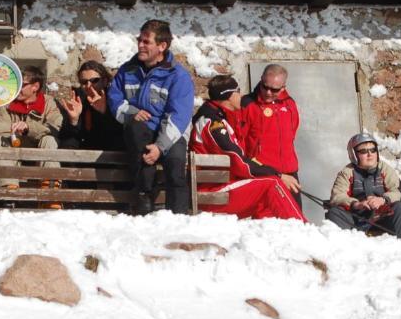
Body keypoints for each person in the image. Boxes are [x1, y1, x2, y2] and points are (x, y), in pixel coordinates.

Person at [107, 19, 194, 215]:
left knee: (175, 165)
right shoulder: (127, 70)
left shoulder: (178, 76)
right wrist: (131, 112)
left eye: (146, 42)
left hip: (172, 131)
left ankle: (178, 216)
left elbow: (178, 115)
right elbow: (114, 98)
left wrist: (160, 146)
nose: (140, 45)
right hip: (142, 130)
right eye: (140, 40)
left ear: (162, 46)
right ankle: (143, 204)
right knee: (137, 137)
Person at [190, 75, 305, 221]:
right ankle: (303, 229)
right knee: (272, 183)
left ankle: (273, 235)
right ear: (230, 96)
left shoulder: (221, 118)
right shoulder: (213, 124)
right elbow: (240, 163)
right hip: (213, 191)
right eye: (238, 91)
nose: (241, 95)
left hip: (225, 185)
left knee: (267, 192)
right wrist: (279, 174)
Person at [0, 66, 63, 190]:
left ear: (35, 87)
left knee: (49, 140)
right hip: (13, 146)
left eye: (22, 84)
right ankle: (8, 187)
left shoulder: (49, 103)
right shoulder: (7, 101)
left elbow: (54, 127)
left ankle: (50, 187)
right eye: (16, 84)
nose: (17, 88)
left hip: (38, 147)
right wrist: (14, 128)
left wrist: (29, 128)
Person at [326, 133, 401, 236]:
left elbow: (397, 192)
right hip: (356, 219)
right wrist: (356, 204)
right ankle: (344, 246)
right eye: (363, 151)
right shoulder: (347, 172)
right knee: (334, 212)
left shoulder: (385, 169)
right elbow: (337, 196)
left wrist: (382, 200)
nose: (370, 154)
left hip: (383, 217)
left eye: (373, 150)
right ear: (354, 154)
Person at [240, 64, 301, 204]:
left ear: (283, 87)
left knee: (295, 222)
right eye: (265, 87)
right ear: (261, 80)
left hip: (289, 172)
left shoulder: (290, 104)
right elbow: (240, 141)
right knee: (265, 222)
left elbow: (293, 131)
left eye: (274, 89)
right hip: (262, 173)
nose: (268, 92)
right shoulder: (247, 104)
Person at [58, 60, 124, 151]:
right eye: (84, 82)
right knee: (67, 143)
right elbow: (67, 135)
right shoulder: (79, 100)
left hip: (109, 150)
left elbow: (120, 131)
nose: (89, 85)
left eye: (94, 80)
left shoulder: (115, 100)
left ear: (104, 81)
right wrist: (73, 121)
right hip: (85, 150)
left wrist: (104, 113)